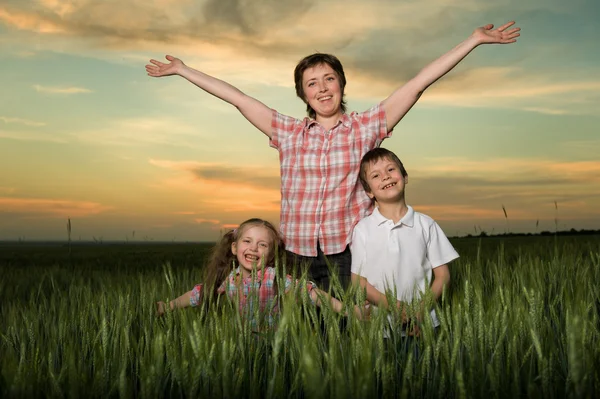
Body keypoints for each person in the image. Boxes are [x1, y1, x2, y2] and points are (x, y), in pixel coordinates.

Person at [146, 21, 520, 292]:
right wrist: (183, 70)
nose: (322, 88)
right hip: (294, 252)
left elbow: (418, 82)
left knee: (348, 329)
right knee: (299, 333)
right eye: (312, 83)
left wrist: (472, 41)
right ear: (302, 94)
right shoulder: (288, 132)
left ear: (341, 84)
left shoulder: (365, 127)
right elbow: (238, 98)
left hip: (348, 251)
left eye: (329, 79)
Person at [156, 218, 354, 330]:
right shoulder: (230, 279)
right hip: (241, 342)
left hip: (275, 344)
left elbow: (311, 293)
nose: (253, 249)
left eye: (262, 244)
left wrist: (345, 309)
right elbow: (199, 294)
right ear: (234, 248)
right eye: (247, 242)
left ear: (271, 255)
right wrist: (168, 306)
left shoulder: (275, 277)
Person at [351, 148, 459, 339]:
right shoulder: (362, 230)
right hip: (381, 326)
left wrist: (421, 310)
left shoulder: (426, 224)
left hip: (424, 324)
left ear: (405, 176)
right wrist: (394, 306)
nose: (385, 176)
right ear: (368, 192)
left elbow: (443, 276)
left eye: (391, 169)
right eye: (376, 175)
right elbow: (359, 283)